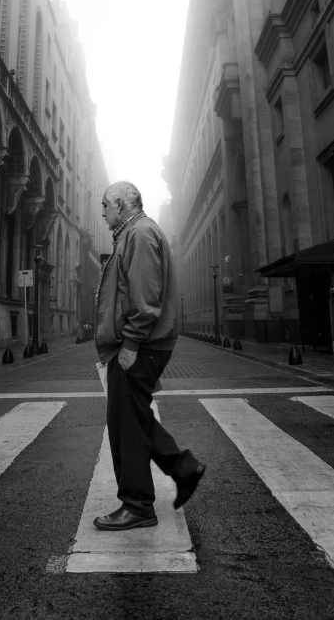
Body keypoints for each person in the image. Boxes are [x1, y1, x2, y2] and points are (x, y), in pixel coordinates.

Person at [93, 181, 205, 531]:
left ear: (124, 204)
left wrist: (129, 345)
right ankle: (183, 469)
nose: (103, 212)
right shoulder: (135, 233)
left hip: (140, 345)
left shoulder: (140, 236)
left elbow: (145, 302)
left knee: (126, 424)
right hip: (143, 344)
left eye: (106, 205)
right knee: (133, 418)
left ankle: (138, 504)